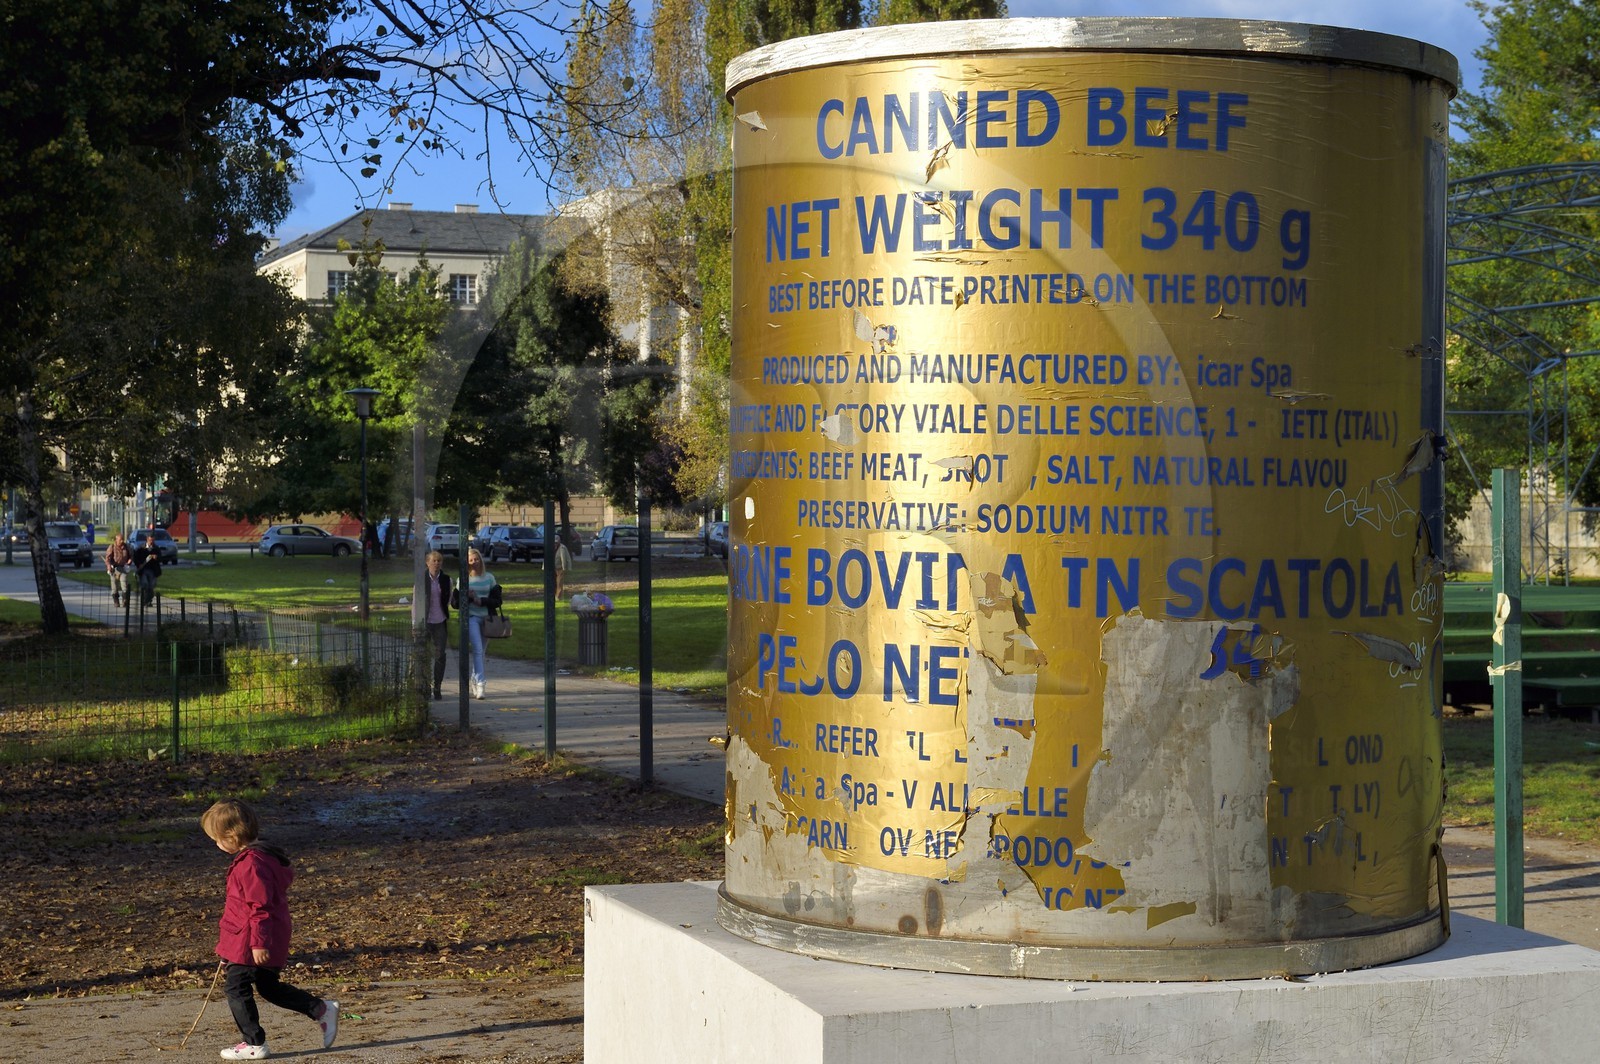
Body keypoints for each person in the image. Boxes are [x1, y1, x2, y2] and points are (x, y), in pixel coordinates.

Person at [201, 799, 338, 1060]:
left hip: (254, 938)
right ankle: (320, 1009)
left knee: (236, 987)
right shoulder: (259, 857)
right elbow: (240, 909)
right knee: (267, 986)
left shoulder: (251, 864)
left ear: (232, 835)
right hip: (249, 937)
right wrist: (228, 948)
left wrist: (258, 943)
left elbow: (259, 907)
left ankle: (253, 1042)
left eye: (217, 839)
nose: (217, 845)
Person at [459, 548, 500, 700]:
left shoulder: (489, 578)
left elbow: (497, 600)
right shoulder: (463, 578)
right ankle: (481, 684)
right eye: (471, 560)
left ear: (480, 560)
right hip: (472, 618)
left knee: (481, 652)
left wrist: (481, 600)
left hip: (487, 619)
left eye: (476, 560)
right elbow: (455, 602)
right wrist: (467, 596)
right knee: (477, 649)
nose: (474, 563)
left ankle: (474, 679)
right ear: (467, 563)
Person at [423, 550, 452, 699]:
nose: (436, 563)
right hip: (425, 621)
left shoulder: (446, 579)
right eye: (434, 561)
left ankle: (438, 686)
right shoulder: (421, 579)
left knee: (440, 655)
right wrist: (415, 622)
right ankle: (425, 685)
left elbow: (449, 598)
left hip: (440, 620)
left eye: (439, 561)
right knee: (423, 654)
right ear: (427, 563)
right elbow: (416, 602)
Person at [103, 532, 133, 608]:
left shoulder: (126, 547)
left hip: (123, 568)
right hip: (114, 569)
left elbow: (131, 556)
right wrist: (109, 566)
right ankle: (116, 601)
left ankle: (125, 600)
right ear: (116, 540)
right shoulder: (112, 547)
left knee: (124, 585)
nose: (122, 541)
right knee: (114, 587)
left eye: (123, 539)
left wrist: (129, 561)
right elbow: (107, 558)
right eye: (120, 540)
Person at [134, 534, 162, 608]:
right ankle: (145, 601)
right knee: (145, 585)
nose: (151, 542)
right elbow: (135, 558)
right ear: (147, 539)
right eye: (150, 540)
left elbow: (161, 558)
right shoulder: (140, 548)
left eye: (152, 540)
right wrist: (139, 564)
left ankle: (149, 601)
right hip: (143, 570)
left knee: (151, 586)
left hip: (153, 571)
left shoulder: (156, 548)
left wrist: (156, 557)